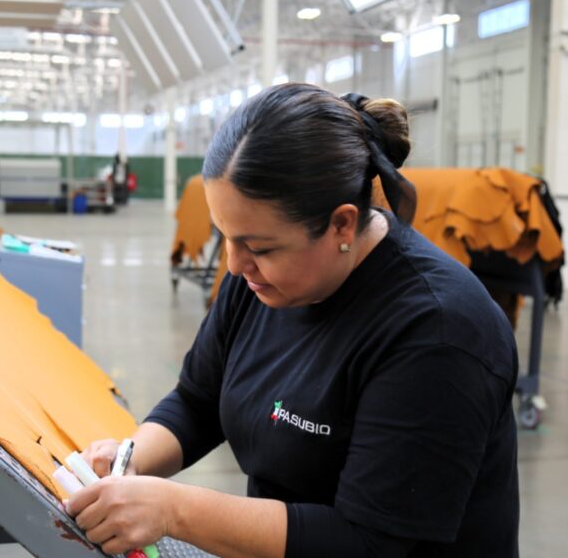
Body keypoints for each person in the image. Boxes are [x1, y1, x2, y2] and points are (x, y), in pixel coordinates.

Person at [67, 83, 520, 557]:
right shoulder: (259, 280)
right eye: (226, 236)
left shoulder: (437, 333)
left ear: (342, 224)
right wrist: (130, 461)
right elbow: (198, 400)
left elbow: (368, 544)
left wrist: (173, 510)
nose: (235, 265)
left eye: (260, 247)